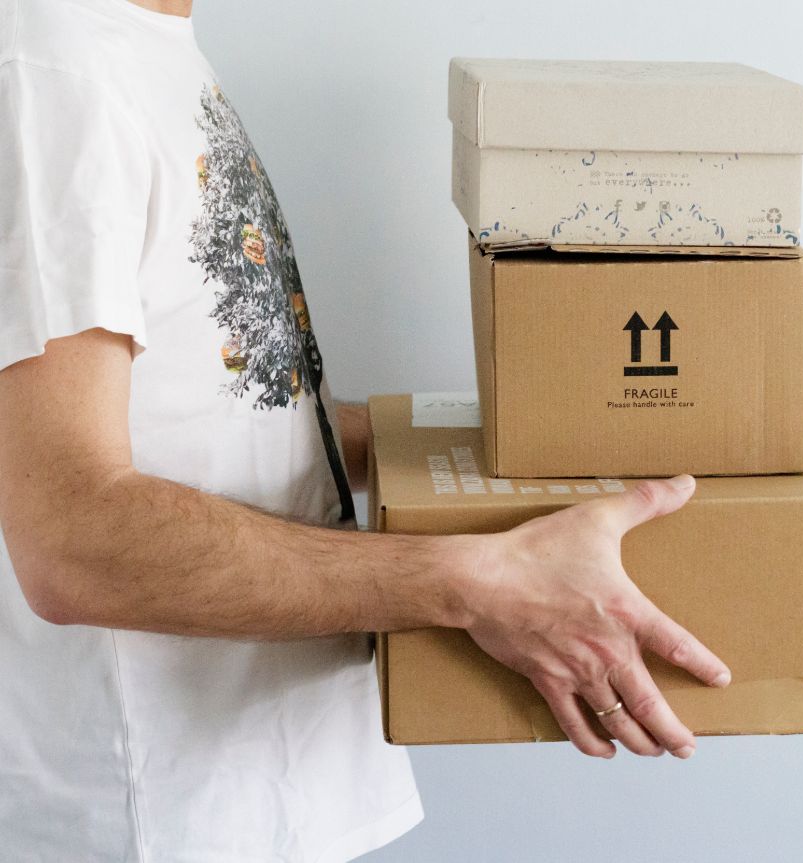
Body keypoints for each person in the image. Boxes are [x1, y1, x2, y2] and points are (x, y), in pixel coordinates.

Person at [0, 0, 730, 858]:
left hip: (264, 787)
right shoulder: (50, 67)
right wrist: (480, 581)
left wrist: (516, 445)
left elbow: (230, 408)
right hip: (155, 820)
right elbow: (73, 537)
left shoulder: (144, 46)